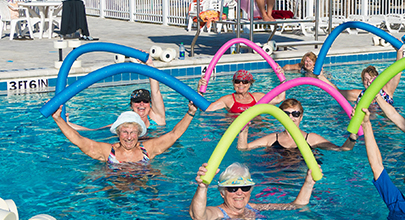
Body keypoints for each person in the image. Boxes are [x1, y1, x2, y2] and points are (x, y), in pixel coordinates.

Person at [51, 103, 196, 163]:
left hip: (143, 190)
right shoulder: (107, 151)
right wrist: (58, 119)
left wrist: (190, 113)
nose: (128, 137)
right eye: (125, 132)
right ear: (118, 133)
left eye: (133, 132)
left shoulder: (148, 148)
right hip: (116, 191)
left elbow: (174, 134)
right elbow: (78, 140)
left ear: (139, 134)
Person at [189, 162, 317, 220]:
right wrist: (202, 187)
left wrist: (309, 182)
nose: (240, 192)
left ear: (250, 191)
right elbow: (199, 219)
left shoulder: (252, 207)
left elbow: (295, 206)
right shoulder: (218, 213)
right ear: (223, 193)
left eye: (245, 188)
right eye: (232, 189)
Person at [68, 57, 166, 132]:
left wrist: (150, 64)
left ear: (150, 104)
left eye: (145, 101)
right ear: (131, 105)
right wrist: (66, 123)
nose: (141, 104)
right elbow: (93, 131)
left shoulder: (157, 119)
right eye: (137, 101)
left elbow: (155, 91)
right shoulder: (125, 123)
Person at [237, 99, 358, 152]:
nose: (290, 117)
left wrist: (353, 135)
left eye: (295, 114)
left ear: (301, 116)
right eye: (286, 114)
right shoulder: (273, 138)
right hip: (276, 178)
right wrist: (244, 131)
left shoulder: (312, 139)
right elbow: (244, 148)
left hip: (301, 177)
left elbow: (342, 149)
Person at [198, 70, 285, 113]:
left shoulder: (258, 97)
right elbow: (206, 109)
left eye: (244, 82)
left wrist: (282, 79)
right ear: (233, 83)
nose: (240, 84)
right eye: (237, 81)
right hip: (236, 132)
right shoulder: (227, 100)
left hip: (256, 130)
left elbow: (280, 98)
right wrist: (200, 90)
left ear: (250, 84)